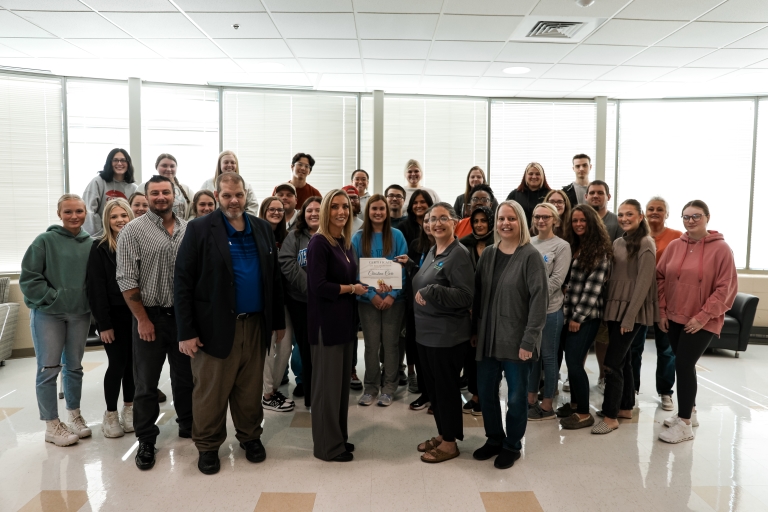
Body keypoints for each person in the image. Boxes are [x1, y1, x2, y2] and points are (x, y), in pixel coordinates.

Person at [174, 172, 285, 475]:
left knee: (249, 390)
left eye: (238, 195)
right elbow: (182, 282)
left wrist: (276, 321)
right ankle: (208, 446)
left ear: (245, 195)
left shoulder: (262, 228)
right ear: (217, 195)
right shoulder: (199, 229)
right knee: (210, 391)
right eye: (226, 196)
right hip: (213, 327)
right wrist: (186, 332)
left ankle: (250, 437)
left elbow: (273, 278)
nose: (233, 201)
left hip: (255, 324)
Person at [116, 175, 193, 471]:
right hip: (150, 317)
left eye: (166, 192)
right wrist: (143, 320)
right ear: (146, 196)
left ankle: (188, 424)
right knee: (146, 384)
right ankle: (146, 439)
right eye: (155, 193)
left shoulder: (188, 230)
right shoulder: (132, 231)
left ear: (174, 195)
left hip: (183, 319)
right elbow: (126, 279)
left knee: (185, 378)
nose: (161, 197)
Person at [472, 200, 547, 468]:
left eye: (512, 219)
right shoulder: (489, 254)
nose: (506, 223)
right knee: (487, 392)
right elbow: (478, 297)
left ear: (521, 223)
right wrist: (474, 332)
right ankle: (494, 438)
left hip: (517, 343)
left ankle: (512, 444)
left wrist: (529, 341)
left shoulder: (530, 257)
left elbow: (540, 302)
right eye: (502, 218)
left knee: (516, 398)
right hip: (488, 340)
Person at [657, 200, 737, 444]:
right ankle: (689, 410)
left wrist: (702, 317)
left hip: (702, 320)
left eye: (696, 216)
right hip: (674, 317)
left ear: (707, 217)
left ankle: (684, 425)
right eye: (686, 217)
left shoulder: (722, 249)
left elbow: (726, 288)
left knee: (682, 364)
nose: (690, 221)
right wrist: (662, 311)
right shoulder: (674, 246)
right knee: (685, 365)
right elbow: (661, 277)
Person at [20, 194, 93, 447]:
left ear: (86, 212)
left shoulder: (90, 244)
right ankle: (52, 424)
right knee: (49, 369)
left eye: (79, 211)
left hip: (79, 313)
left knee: (74, 366)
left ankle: (74, 415)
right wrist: (52, 298)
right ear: (59, 214)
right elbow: (29, 277)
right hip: (48, 314)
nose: (74, 216)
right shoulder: (44, 241)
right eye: (68, 212)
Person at [306, 189, 368, 462]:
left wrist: (370, 285)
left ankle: (339, 438)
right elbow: (317, 286)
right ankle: (327, 448)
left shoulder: (345, 241)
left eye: (345, 207)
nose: (342, 211)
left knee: (340, 390)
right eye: (335, 207)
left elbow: (353, 276)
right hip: (326, 325)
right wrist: (351, 288)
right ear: (325, 211)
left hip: (344, 323)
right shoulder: (319, 242)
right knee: (326, 390)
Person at [412, 203, 474, 464]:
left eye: (442, 219)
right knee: (435, 391)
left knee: (446, 391)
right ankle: (443, 433)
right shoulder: (433, 251)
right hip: (425, 334)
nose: (436, 224)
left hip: (446, 337)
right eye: (431, 219)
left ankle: (450, 444)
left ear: (454, 222)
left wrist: (432, 292)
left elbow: (465, 295)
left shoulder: (458, 254)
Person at [592, 199, 659, 435]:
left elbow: (643, 284)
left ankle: (610, 416)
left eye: (629, 214)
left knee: (612, 363)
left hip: (631, 312)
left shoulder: (646, 242)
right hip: (614, 309)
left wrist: (630, 317)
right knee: (626, 360)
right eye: (620, 214)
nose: (623, 218)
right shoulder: (619, 241)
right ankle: (625, 407)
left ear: (640, 216)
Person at [557, 205, 612, 430]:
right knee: (573, 363)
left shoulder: (599, 251)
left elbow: (593, 289)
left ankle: (583, 413)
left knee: (574, 363)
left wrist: (577, 318)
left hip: (586, 317)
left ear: (592, 223)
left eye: (583, 221)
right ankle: (574, 404)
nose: (578, 224)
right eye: (575, 221)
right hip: (569, 313)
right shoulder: (574, 247)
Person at [352, 194, 408, 407]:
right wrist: (371, 295)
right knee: (371, 345)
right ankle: (371, 387)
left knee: (391, 344)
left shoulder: (397, 235)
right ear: (368, 212)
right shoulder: (358, 237)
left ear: (387, 212)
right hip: (368, 302)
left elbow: (403, 267)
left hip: (395, 301)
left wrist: (392, 296)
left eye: (381, 209)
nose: (378, 212)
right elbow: (355, 271)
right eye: (374, 208)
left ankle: (389, 388)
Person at [86, 198, 135, 439]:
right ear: (107, 221)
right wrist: (103, 324)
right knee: (117, 364)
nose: (120, 220)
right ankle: (111, 414)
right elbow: (96, 289)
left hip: (136, 315)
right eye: (114, 217)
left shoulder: (137, 245)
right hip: (112, 317)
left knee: (133, 366)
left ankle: (129, 409)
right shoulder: (99, 248)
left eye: (124, 216)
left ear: (130, 217)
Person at [635, 196, 682, 411]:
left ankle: (665, 392)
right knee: (635, 347)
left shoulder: (677, 237)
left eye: (660, 209)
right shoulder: (637, 235)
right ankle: (632, 389)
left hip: (666, 299)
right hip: (640, 299)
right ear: (644, 213)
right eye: (651, 208)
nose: (655, 212)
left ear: (667, 214)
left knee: (666, 349)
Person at [527, 203, 571, 421]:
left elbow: (556, 280)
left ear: (555, 220)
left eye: (545, 217)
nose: (541, 221)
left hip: (551, 310)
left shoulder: (561, 246)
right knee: (532, 356)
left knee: (548, 357)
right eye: (537, 217)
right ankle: (531, 399)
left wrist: (534, 297)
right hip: (529, 311)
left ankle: (546, 406)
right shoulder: (529, 243)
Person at [280, 196, 322, 408]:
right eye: (309, 210)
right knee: (305, 346)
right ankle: (307, 387)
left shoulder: (334, 235)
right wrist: (313, 289)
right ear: (302, 214)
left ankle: (323, 386)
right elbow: (286, 263)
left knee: (323, 345)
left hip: (327, 302)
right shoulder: (294, 236)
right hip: (300, 301)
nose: (313, 213)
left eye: (318, 209)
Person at [397, 210, 435, 411]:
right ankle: (425, 392)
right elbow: (416, 275)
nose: (429, 224)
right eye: (427, 221)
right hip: (415, 305)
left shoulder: (447, 248)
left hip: (437, 309)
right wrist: (408, 264)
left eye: (434, 220)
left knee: (434, 354)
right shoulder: (416, 245)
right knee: (418, 349)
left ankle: (437, 396)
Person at [258, 197, 293, 412]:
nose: (276, 212)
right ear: (264, 210)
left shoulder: (287, 237)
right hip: (264, 302)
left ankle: (274, 388)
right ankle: (267, 394)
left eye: (280, 209)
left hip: (285, 300)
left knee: (285, 346)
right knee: (268, 351)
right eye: (271, 209)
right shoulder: (255, 235)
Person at [458, 205, 494, 416]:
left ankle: (487, 393)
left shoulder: (499, 244)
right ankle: (475, 394)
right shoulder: (463, 244)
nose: (479, 225)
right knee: (471, 354)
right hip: (468, 306)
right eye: (476, 221)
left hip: (492, 305)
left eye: (484, 220)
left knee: (488, 354)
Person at [83, 148, 138, 238]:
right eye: (115, 160)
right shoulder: (98, 182)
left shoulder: (134, 188)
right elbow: (88, 211)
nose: (119, 163)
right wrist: (100, 235)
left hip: (126, 237)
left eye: (123, 160)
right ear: (109, 163)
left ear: (128, 163)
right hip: (100, 237)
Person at [201, 150, 259, 215]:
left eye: (233, 162)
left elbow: (253, 206)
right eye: (226, 162)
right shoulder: (207, 185)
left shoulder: (245, 185)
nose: (229, 165)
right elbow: (200, 205)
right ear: (219, 165)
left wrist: (241, 221)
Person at [139, 154, 193, 219]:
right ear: (156, 167)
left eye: (172, 166)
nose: (169, 169)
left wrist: (186, 227)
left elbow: (193, 213)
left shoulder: (187, 189)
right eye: (164, 165)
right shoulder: (143, 187)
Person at [505, 162, 551, 228]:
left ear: (542, 176)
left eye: (538, 174)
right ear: (525, 176)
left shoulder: (550, 195)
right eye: (531, 174)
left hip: (544, 233)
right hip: (520, 233)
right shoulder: (515, 194)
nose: (534, 176)